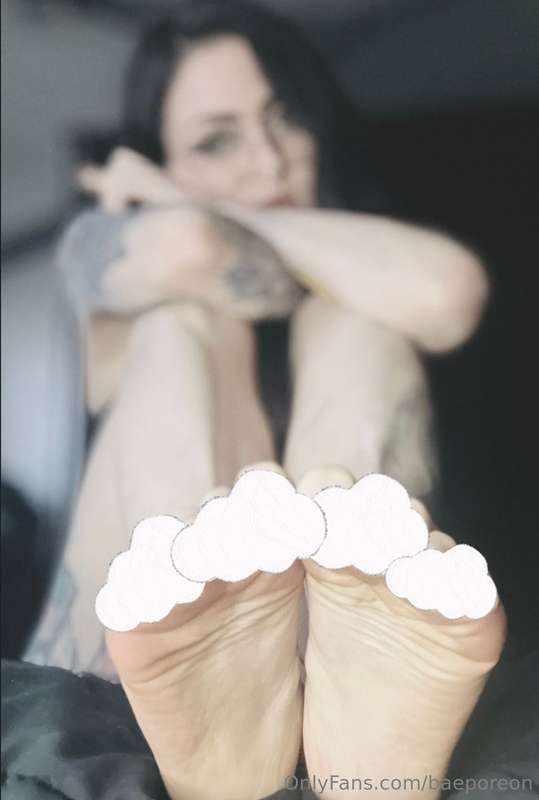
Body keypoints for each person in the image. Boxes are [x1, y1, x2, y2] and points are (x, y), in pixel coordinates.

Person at [18, 3, 509, 799]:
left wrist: (194, 195)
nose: (268, 161)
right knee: (185, 325)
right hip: (104, 688)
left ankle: (347, 674)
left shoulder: (351, 303)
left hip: (314, 698)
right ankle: (206, 653)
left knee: (355, 325)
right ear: (154, 161)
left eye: (286, 120)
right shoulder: (99, 249)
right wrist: (181, 208)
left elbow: (448, 292)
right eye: (216, 142)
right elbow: (189, 248)